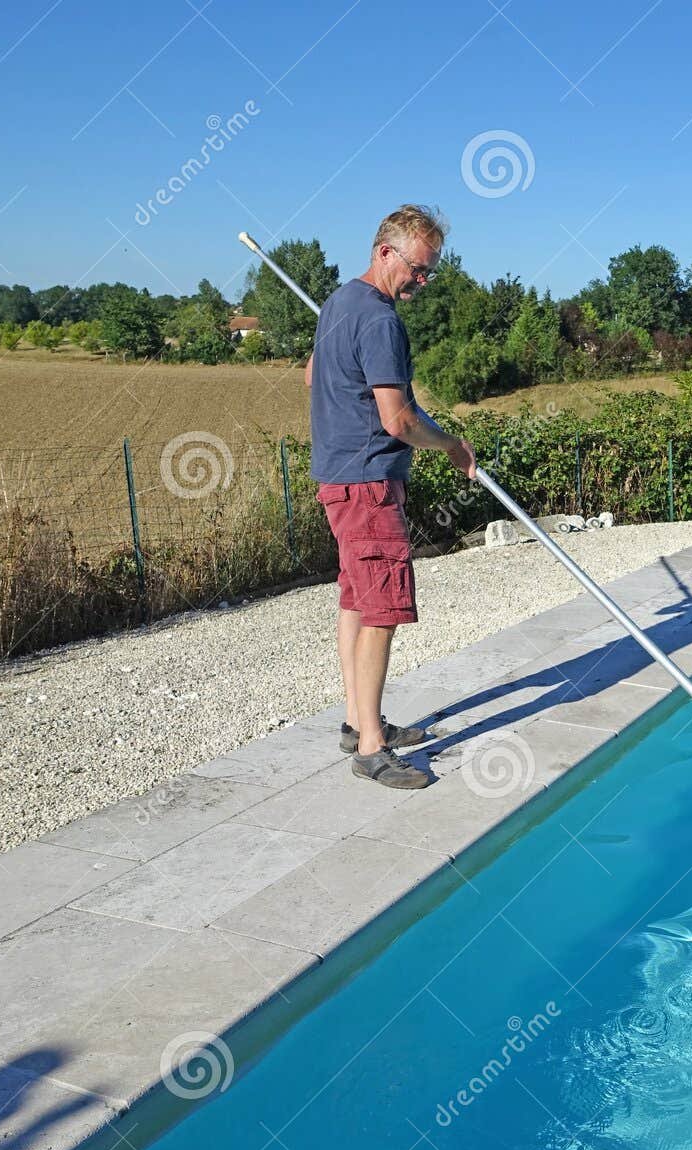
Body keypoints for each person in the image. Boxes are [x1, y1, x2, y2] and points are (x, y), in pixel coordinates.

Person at [305, 204, 475, 788]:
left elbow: (312, 375)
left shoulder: (338, 302)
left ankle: (360, 721)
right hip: (369, 483)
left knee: (356, 602)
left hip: (337, 480)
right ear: (385, 252)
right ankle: (371, 751)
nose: (422, 283)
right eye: (418, 269)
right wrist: (451, 444)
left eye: (430, 274)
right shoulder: (379, 320)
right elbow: (399, 420)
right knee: (380, 611)